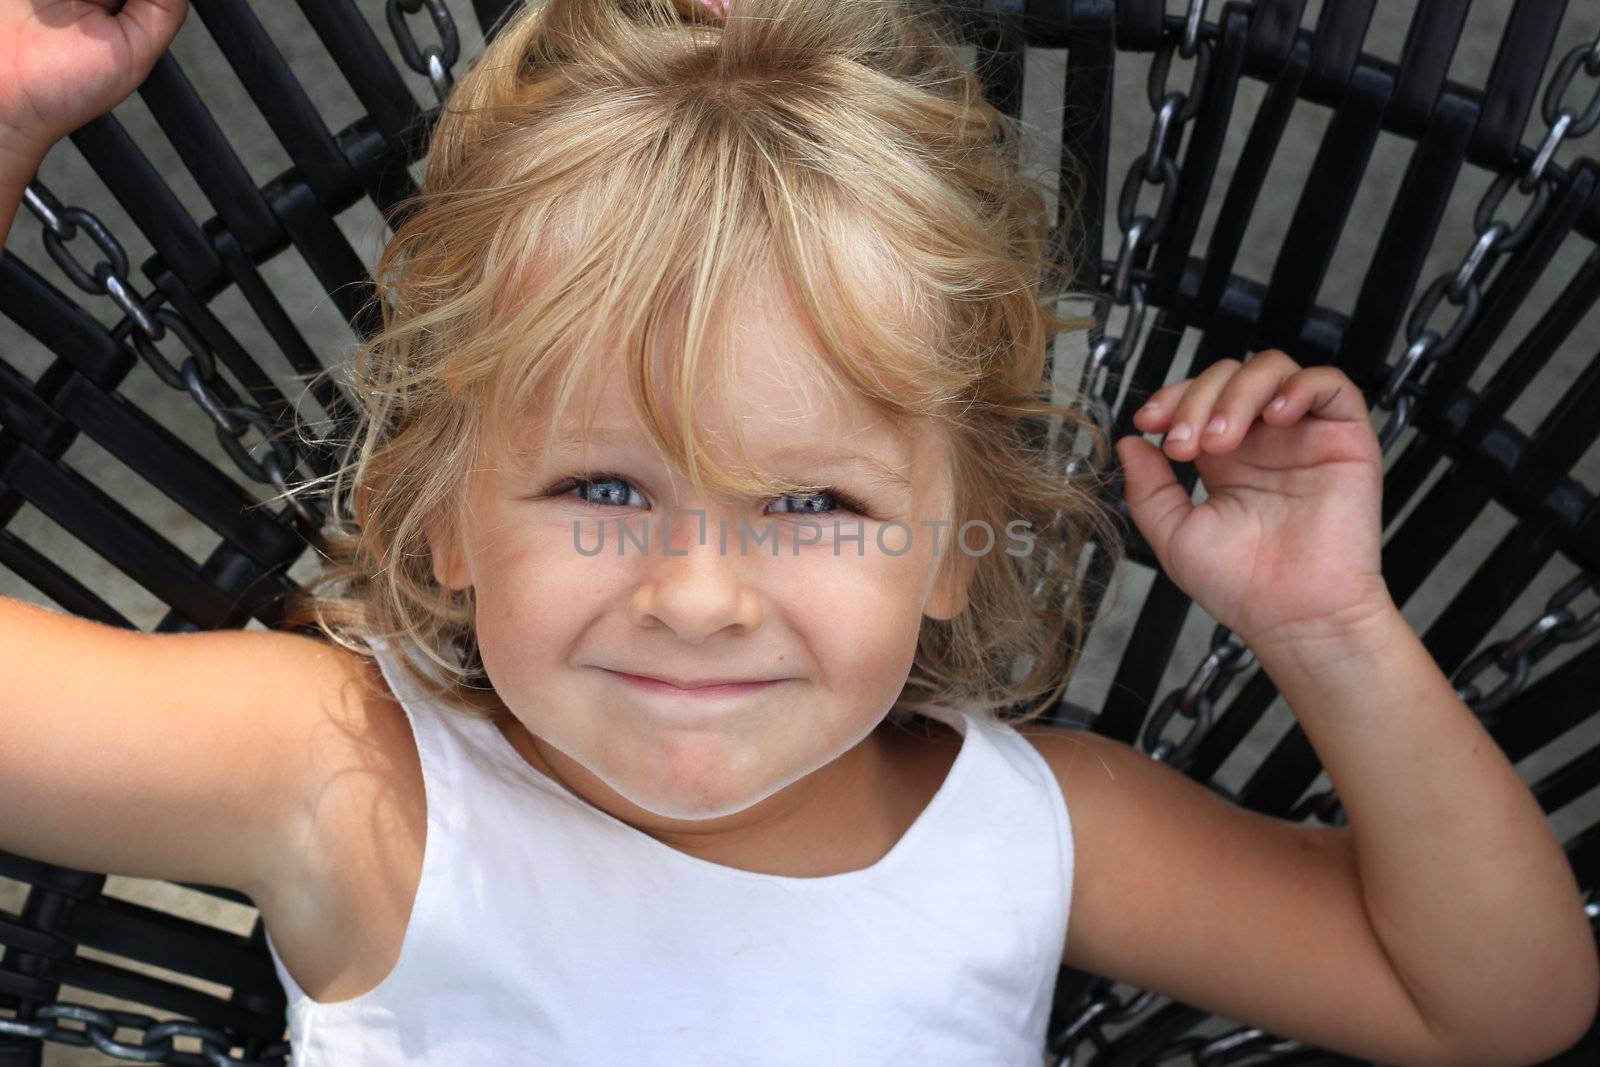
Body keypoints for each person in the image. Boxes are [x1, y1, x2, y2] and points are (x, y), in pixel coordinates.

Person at [0, 1, 1595, 1064]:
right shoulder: (349, 782)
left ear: (961, 533)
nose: (699, 598)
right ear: (439, 512)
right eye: (604, 490)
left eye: (815, 504)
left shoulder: (1034, 831)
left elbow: (1492, 1008)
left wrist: (1330, 628)